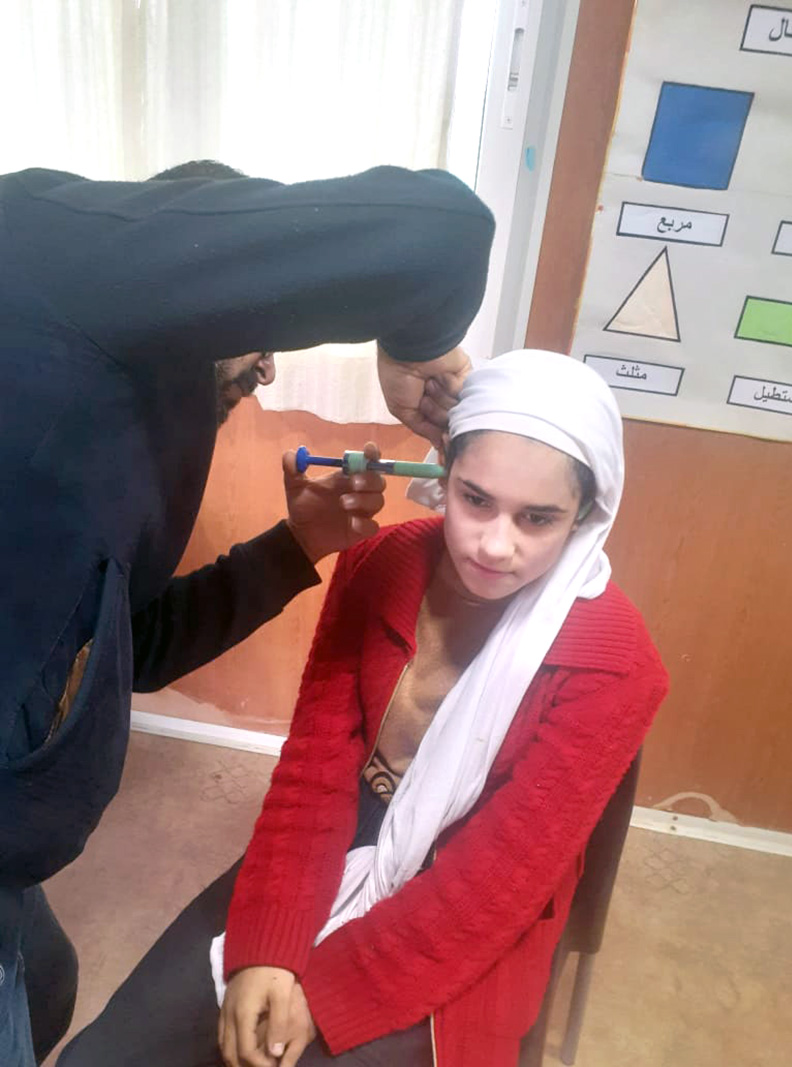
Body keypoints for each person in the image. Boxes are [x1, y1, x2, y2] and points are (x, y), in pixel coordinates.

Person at [0, 158, 495, 1067]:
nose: (267, 367)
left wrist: (290, 549)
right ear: (189, 280)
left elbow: (124, 651)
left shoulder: (109, 419)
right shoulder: (53, 251)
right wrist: (413, 344)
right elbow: (444, 230)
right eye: (251, 327)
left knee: (43, 974)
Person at [58, 350, 669, 1067]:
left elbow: (496, 883)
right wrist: (269, 948)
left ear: (586, 514)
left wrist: (327, 990)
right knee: (109, 1055)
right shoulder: (380, 563)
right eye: (475, 499)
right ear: (445, 477)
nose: (495, 544)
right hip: (342, 835)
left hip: (464, 898)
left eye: (538, 518)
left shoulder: (617, 663)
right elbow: (315, 773)